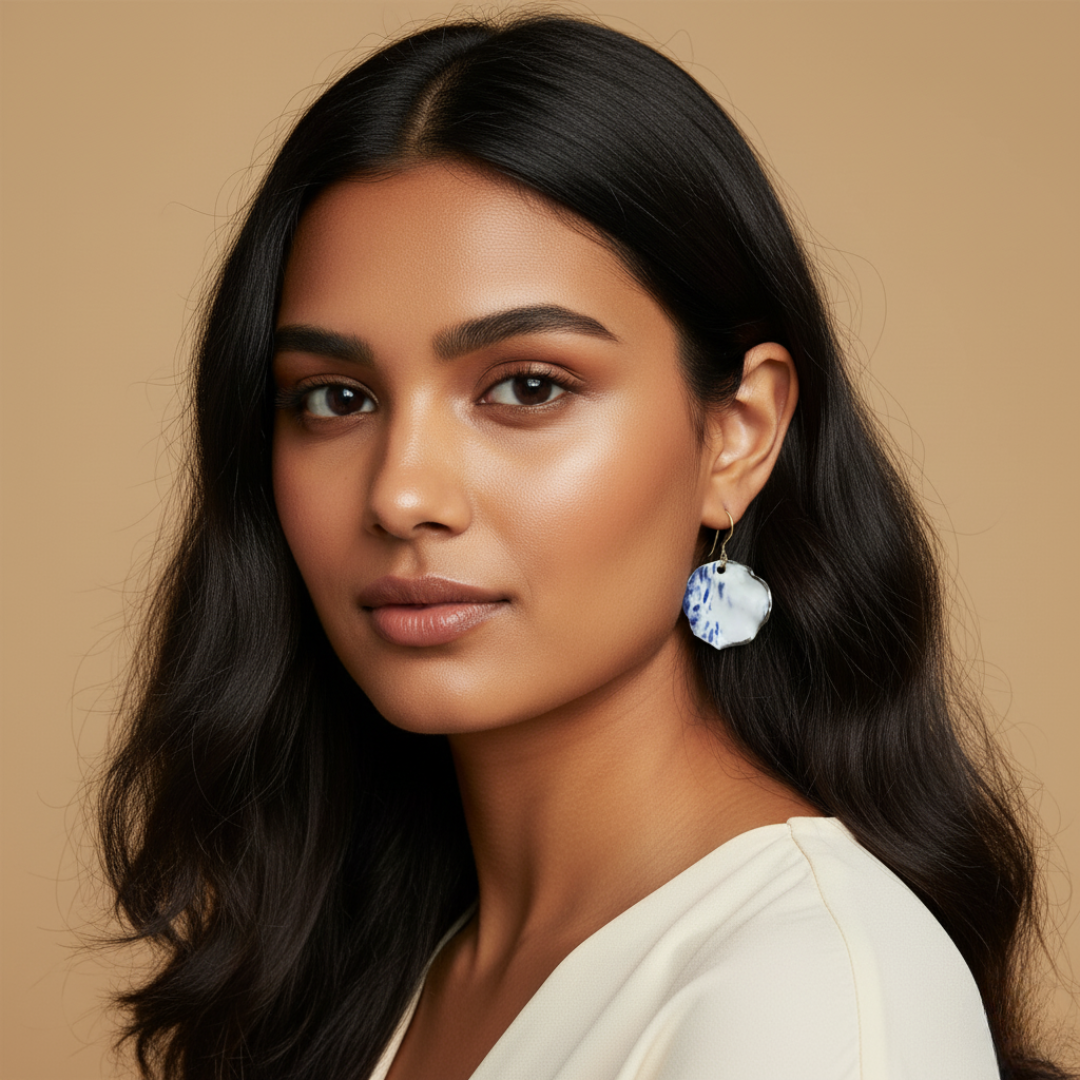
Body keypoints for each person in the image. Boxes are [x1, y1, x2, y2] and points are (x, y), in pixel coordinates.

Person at [97, 12, 1073, 1080]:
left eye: (527, 386)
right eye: (337, 398)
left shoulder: (806, 997)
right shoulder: (376, 963)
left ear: (737, 438)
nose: (403, 493)